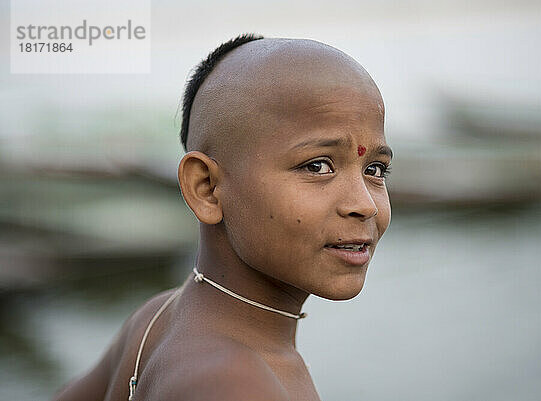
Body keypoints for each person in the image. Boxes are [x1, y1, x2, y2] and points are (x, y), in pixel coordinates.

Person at [52, 33, 393, 401]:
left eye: (375, 170)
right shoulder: (232, 385)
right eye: (317, 166)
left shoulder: (157, 317)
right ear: (207, 188)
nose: (365, 204)